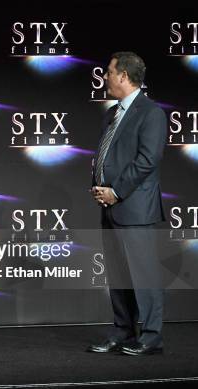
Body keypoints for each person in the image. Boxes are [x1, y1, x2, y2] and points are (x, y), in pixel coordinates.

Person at [87, 52, 166, 356]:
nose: (104, 76)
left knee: (144, 274)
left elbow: (147, 161)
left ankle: (151, 335)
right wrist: (98, 186)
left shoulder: (151, 113)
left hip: (135, 208)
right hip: (109, 206)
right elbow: (108, 156)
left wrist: (115, 191)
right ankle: (122, 330)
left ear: (123, 76)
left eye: (108, 72)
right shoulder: (112, 114)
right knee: (118, 275)